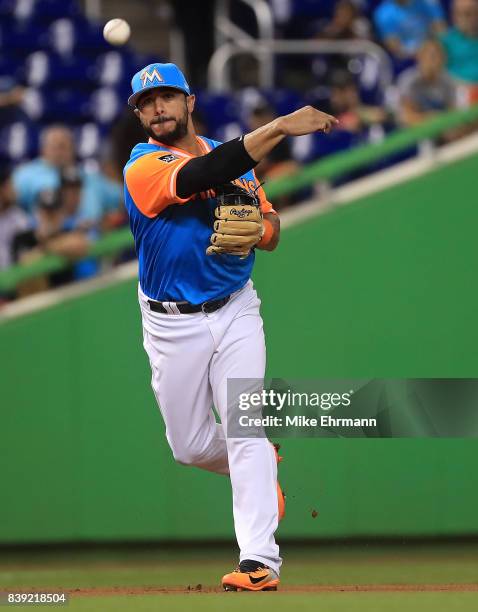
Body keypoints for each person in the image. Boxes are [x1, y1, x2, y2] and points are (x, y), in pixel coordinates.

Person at [123, 62, 338, 592]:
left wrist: (256, 231)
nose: (157, 109)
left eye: (166, 98)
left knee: (245, 427)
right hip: (172, 324)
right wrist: (280, 127)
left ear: (189, 101)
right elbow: (198, 177)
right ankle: (260, 469)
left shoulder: (234, 161)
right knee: (190, 446)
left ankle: (259, 561)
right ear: (139, 115)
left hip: (236, 308)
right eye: (146, 103)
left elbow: (273, 229)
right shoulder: (142, 165)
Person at [12, 125, 122, 224]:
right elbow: (11, 208)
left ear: (73, 149)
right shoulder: (25, 175)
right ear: (43, 149)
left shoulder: (89, 176)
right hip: (47, 238)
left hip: (92, 237)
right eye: (55, 147)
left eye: (63, 146)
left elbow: (121, 197)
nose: (59, 152)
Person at [397, 39, 458, 126]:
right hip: (414, 130)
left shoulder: (447, 80)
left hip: (441, 127)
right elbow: (406, 117)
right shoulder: (408, 80)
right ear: (420, 57)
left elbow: (452, 111)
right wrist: (429, 118)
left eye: (439, 57)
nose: (436, 61)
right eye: (432, 56)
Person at [374, 0, 446, 59]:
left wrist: (433, 49)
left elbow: (441, 32)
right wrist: (421, 53)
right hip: (406, 60)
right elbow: (395, 48)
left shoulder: (428, 3)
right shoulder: (384, 13)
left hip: (433, 53)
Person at [440, 0, 478, 102]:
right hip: (458, 91)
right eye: (459, 14)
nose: (464, 18)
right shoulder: (445, 41)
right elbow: (441, 73)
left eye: (469, 13)